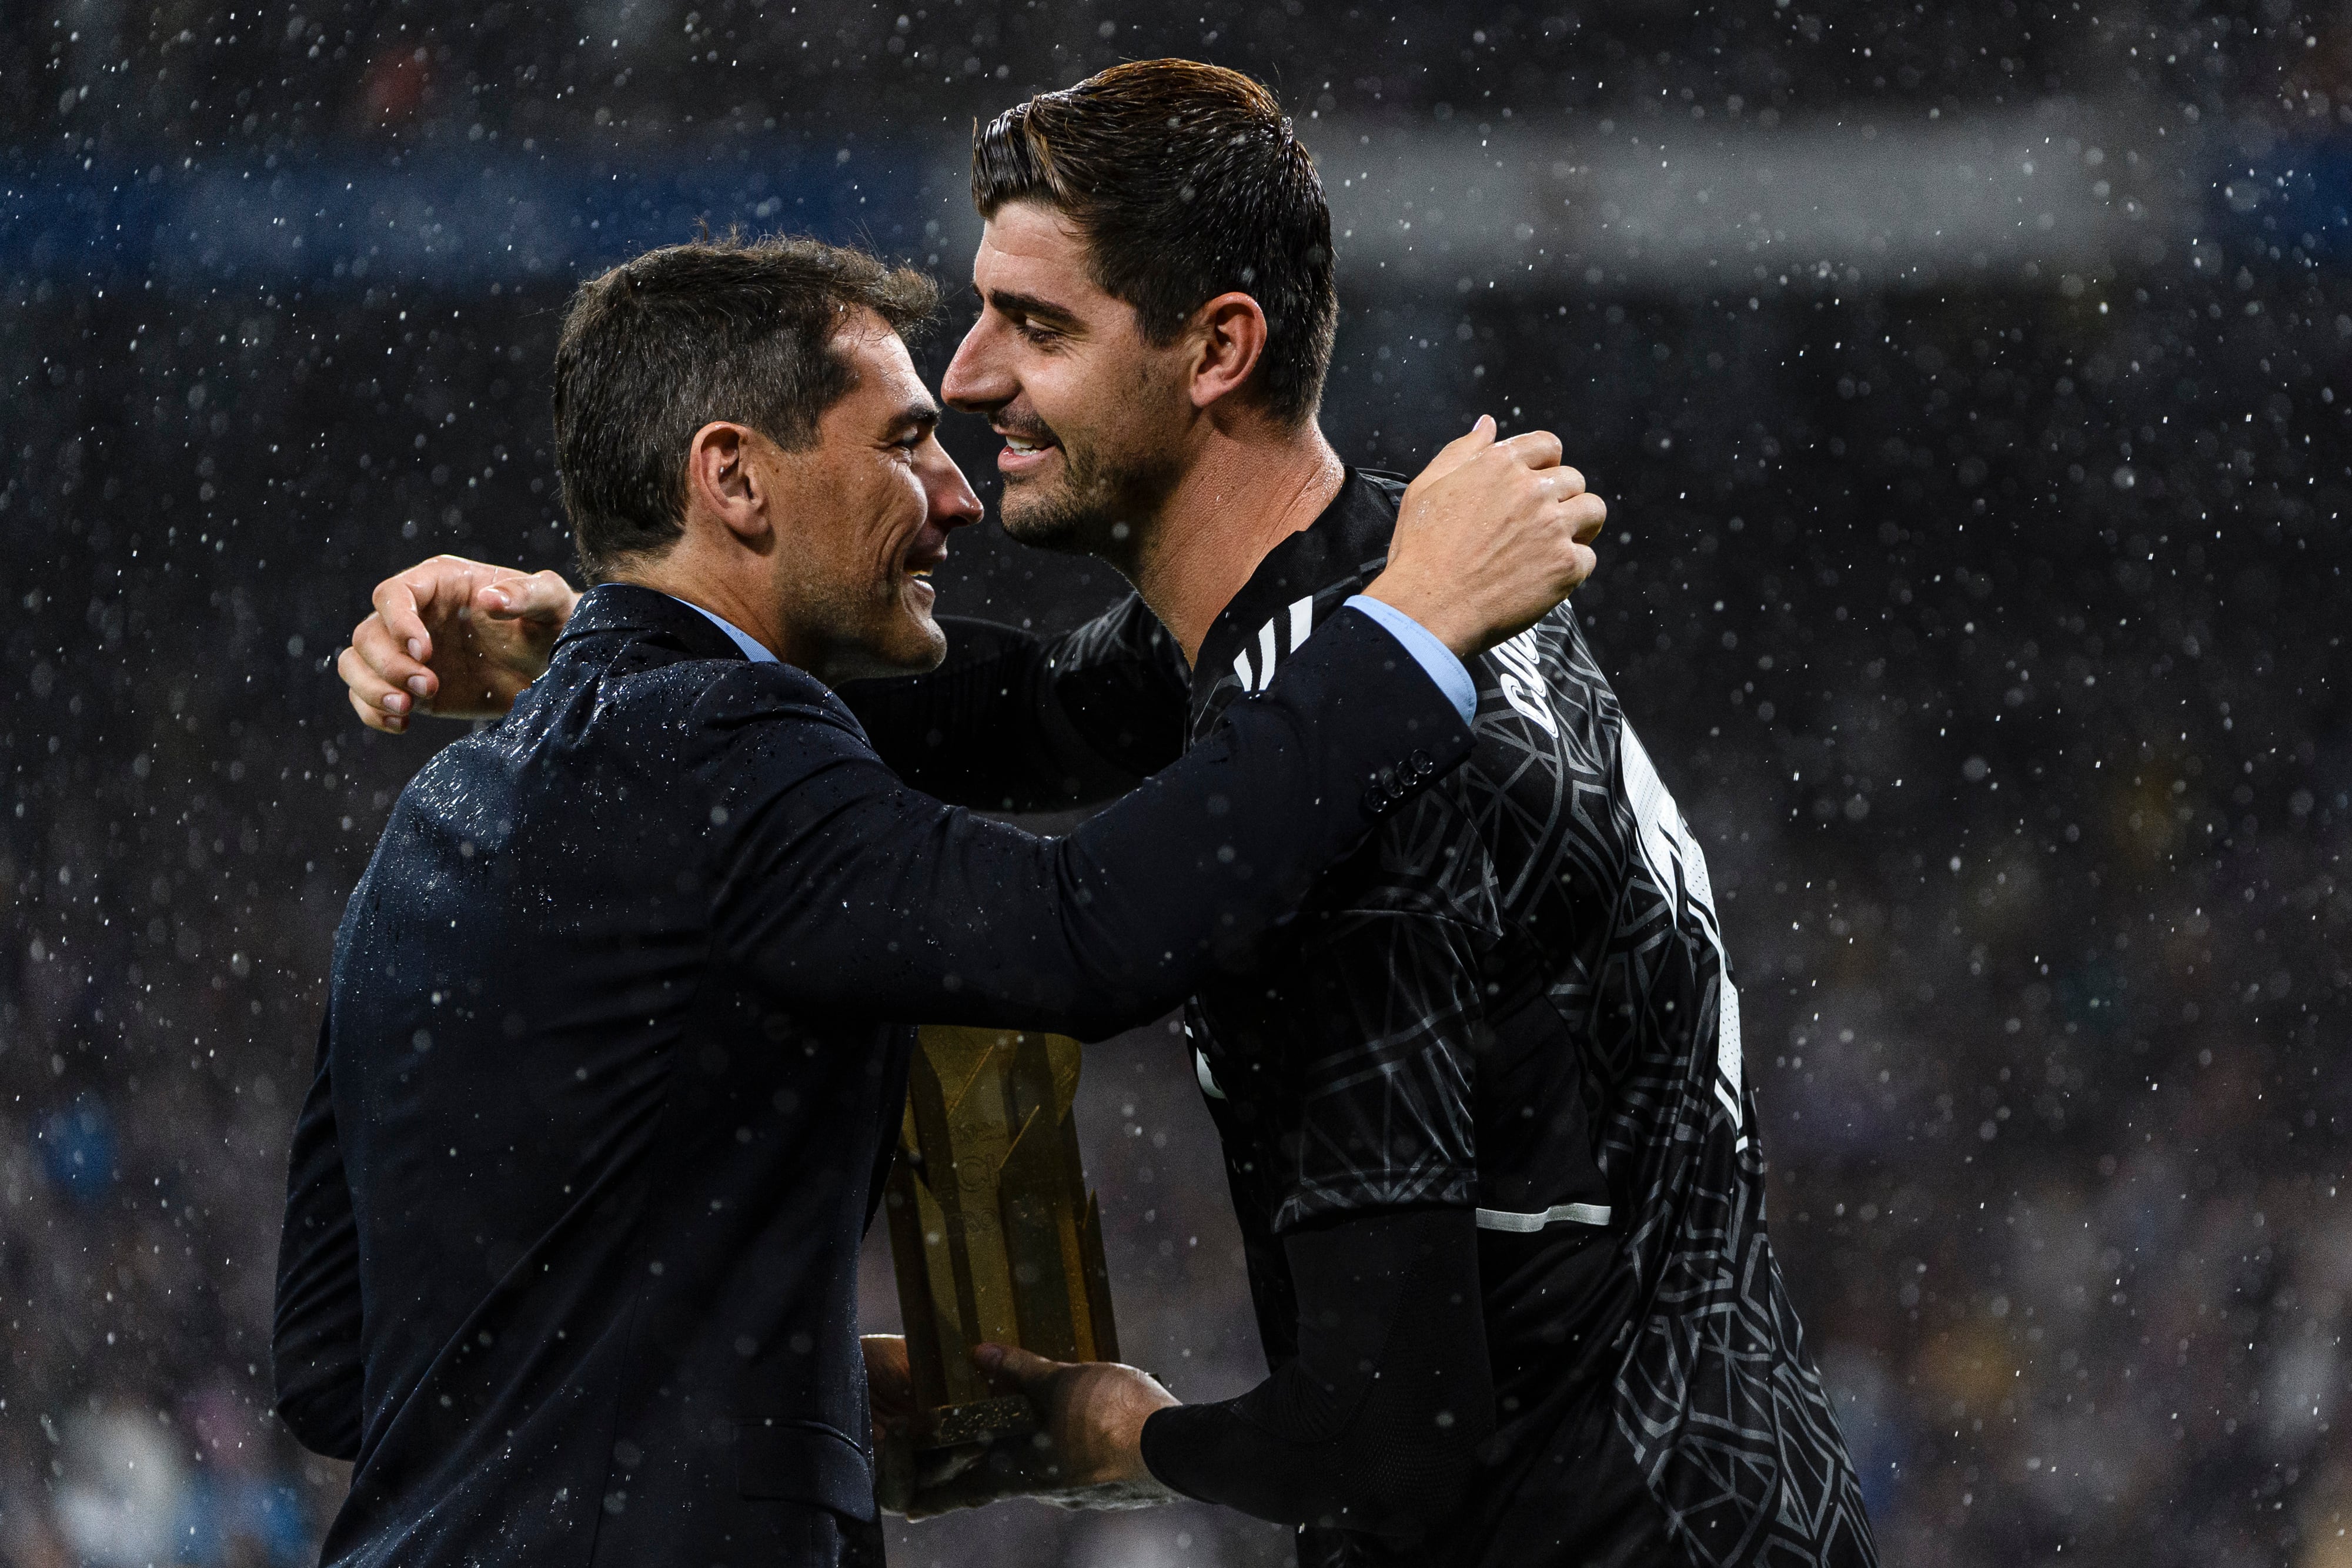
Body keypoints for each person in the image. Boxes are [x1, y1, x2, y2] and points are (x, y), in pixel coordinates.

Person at [337, 60, 1872, 1568]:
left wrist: (1102, 1435)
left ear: (1216, 351)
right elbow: (1029, 717)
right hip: (1738, 1493)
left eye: (1038, 324)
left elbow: (1389, 1432)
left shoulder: (1356, 749)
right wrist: (601, 648)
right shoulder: (1397, 578)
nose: (973, 377)